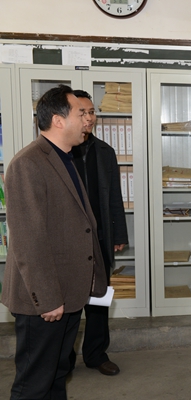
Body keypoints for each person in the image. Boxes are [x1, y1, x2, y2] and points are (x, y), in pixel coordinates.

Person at [1, 84, 107, 399]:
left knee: (58, 375)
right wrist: (47, 298)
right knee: (34, 383)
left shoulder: (64, 159)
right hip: (45, 302)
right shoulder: (28, 163)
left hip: (68, 294)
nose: (88, 119)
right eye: (80, 113)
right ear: (58, 120)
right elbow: (28, 239)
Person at [70, 90, 128, 376]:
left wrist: (119, 235)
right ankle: (63, 359)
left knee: (98, 301)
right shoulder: (59, 152)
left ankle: (96, 354)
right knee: (69, 304)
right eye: (82, 112)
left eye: (92, 112)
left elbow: (114, 196)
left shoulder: (105, 152)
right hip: (69, 242)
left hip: (100, 238)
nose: (89, 118)